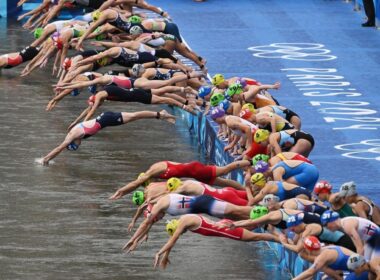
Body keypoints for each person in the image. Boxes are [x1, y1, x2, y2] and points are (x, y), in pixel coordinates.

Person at [124, 193, 254, 251]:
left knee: (238, 211)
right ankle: (259, 221)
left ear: (154, 213)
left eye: (158, 218)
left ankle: (264, 212)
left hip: (206, 204)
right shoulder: (159, 204)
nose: (160, 219)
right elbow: (147, 221)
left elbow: (146, 223)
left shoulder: (160, 205)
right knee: (235, 217)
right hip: (205, 207)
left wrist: (132, 239)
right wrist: (136, 238)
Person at [39, 110, 175, 165]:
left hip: (106, 119)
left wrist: (45, 159)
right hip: (106, 120)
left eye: (76, 146)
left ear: (74, 143)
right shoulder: (75, 135)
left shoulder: (74, 135)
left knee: (134, 116)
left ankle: (160, 114)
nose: (79, 145)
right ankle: (159, 115)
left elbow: (59, 148)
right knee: (134, 117)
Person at [153, 214, 279, 269]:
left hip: (225, 230)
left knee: (258, 237)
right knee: (252, 226)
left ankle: (281, 240)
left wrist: (159, 253)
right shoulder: (184, 219)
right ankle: (274, 225)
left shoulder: (184, 223)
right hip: (223, 223)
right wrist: (166, 255)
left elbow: (173, 239)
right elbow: (173, 239)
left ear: (177, 228)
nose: (182, 233)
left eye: (180, 232)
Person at [110, 159, 251, 199]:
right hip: (194, 173)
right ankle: (246, 190)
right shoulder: (157, 175)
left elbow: (136, 183)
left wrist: (121, 191)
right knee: (221, 182)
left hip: (196, 169)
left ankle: (250, 163)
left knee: (225, 170)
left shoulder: (154, 170)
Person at [282, 213, 356, 253]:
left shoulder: (309, 230)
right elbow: (295, 243)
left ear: (298, 225)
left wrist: (284, 243)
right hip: (342, 241)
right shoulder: (306, 228)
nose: (293, 232)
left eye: (293, 229)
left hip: (346, 243)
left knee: (303, 253)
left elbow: (298, 249)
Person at [167, 178, 248, 206]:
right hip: (227, 191)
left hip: (225, 197)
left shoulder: (184, 187)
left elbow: (169, 196)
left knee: (251, 206)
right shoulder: (189, 182)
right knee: (254, 195)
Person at [261, 194, 328, 216]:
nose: (267, 209)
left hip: (321, 212)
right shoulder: (281, 204)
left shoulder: (288, 206)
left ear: (271, 206)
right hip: (318, 209)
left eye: (267, 207)